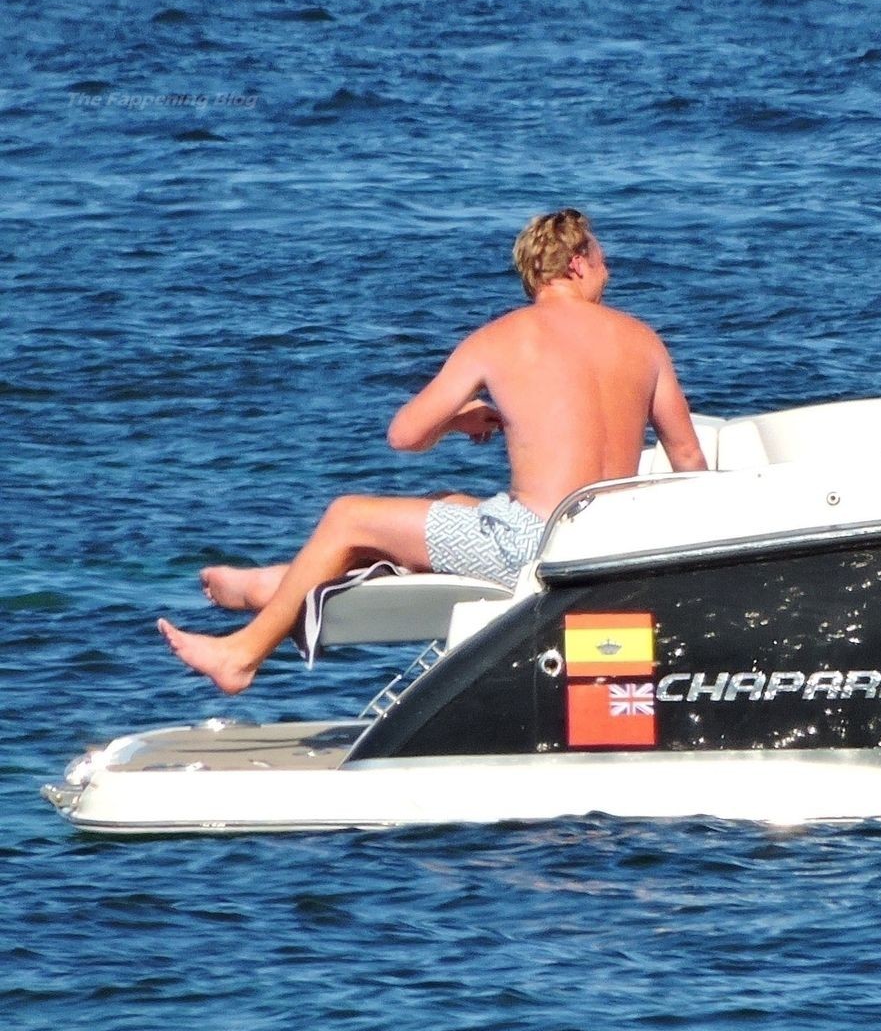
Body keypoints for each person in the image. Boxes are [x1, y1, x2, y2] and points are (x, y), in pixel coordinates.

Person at [161, 208, 709, 694]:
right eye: (604, 261)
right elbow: (688, 459)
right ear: (577, 263)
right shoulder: (643, 340)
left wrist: (457, 421)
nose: (608, 272)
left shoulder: (499, 338)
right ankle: (279, 583)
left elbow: (405, 436)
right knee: (448, 505)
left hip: (531, 544)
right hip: (610, 540)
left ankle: (242, 653)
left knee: (349, 516)